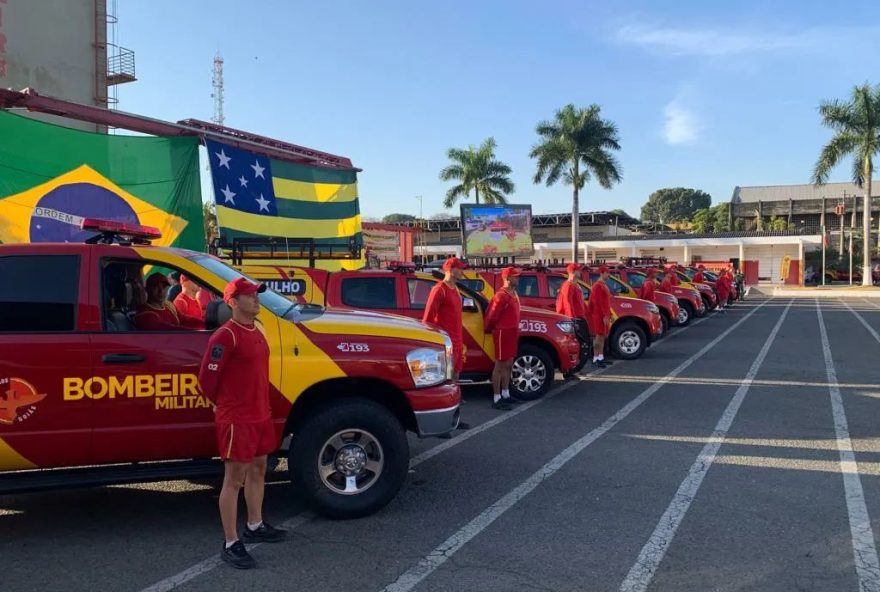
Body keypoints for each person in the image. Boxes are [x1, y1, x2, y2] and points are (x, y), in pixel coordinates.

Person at [198, 278, 286, 570]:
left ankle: (255, 523)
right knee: (234, 479)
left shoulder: (256, 329)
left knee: (259, 469)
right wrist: (226, 407)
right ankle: (231, 542)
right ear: (232, 302)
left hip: (260, 414)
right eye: (248, 296)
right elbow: (207, 381)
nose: (255, 300)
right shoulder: (226, 336)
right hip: (238, 419)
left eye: (255, 295)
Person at [422, 257, 470, 432]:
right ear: (451, 269)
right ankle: (443, 423)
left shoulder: (455, 289)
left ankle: (455, 419)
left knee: (455, 381)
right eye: (459, 268)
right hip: (444, 344)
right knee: (445, 384)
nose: (462, 271)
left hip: (456, 343)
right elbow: (427, 319)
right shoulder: (439, 290)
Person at [484, 267, 521, 410]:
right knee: (499, 365)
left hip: (512, 332)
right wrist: (490, 329)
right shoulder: (501, 295)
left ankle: (506, 393)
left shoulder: (513, 293)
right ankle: (496, 397)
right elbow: (492, 316)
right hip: (502, 333)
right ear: (508, 278)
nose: (518, 279)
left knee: (509, 363)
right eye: (515, 276)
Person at [134, 272, 203, 331]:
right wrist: (197, 333)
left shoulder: (168, 305)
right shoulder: (146, 314)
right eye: (156, 287)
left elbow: (184, 319)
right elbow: (171, 330)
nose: (161, 291)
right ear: (147, 289)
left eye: (164, 287)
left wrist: (206, 324)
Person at [588, 265, 614, 368]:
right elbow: (597, 302)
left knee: (602, 337)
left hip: (602, 315)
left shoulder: (602, 285)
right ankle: (596, 358)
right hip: (599, 315)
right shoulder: (598, 286)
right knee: (598, 337)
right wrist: (604, 315)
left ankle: (600, 357)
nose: (609, 275)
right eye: (607, 273)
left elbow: (605, 303)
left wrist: (608, 314)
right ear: (602, 273)